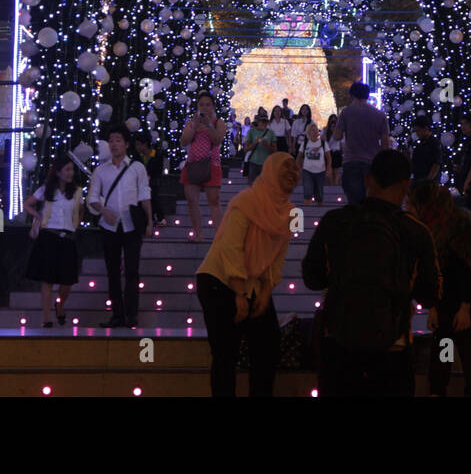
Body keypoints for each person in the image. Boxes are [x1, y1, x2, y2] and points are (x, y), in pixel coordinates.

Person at [302, 149, 440, 396]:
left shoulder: (335, 221)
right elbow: (430, 294)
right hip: (392, 345)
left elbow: (311, 278)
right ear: (406, 185)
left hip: (338, 341)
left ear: (368, 179)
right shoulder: (416, 230)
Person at [196, 153, 301, 396]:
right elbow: (230, 247)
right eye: (285, 167)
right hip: (219, 281)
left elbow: (278, 256)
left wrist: (266, 291)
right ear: (270, 170)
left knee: (268, 348)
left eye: (295, 169)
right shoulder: (247, 200)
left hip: (253, 284)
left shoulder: (290, 212)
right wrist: (239, 294)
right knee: (225, 355)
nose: (292, 172)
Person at [408, 180, 471, 397]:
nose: (408, 208)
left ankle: (469, 389)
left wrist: (465, 307)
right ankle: (441, 387)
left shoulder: (456, 222)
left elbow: (468, 267)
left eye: (413, 204)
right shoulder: (431, 225)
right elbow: (436, 271)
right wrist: (433, 307)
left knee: (460, 332)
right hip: (453, 284)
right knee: (444, 333)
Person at [87, 125, 152, 328]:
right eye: (111, 140)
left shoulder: (136, 167)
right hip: (109, 226)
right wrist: (103, 210)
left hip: (132, 225)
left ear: (125, 144)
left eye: (118, 140)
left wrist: (150, 221)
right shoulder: (101, 170)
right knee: (112, 272)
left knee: (132, 271)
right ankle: (117, 315)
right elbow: (92, 197)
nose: (114, 144)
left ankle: (132, 315)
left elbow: (144, 195)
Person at [25, 160, 85, 327]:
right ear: (58, 172)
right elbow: (28, 204)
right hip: (49, 235)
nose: (70, 173)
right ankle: (47, 317)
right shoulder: (46, 189)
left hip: (67, 238)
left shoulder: (77, 192)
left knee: (67, 281)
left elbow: (81, 210)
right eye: (67, 169)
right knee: (47, 280)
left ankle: (60, 304)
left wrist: (77, 223)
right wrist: (38, 216)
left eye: (71, 170)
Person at [332, 82, 390, 205]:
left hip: (351, 161)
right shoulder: (380, 114)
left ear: (351, 95)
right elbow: (385, 144)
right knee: (370, 202)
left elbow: (337, 136)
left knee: (354, 203)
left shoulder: (346, 112)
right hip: (372, 163)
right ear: (367, 96)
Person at [180, 92, 227, 240]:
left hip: (211, 164)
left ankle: (219, 235)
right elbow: (184, 141)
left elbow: (217, 140)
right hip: (193, 164)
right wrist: (194, 127)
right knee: (191, 200)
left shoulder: (218, 122)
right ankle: (198, 233)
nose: (205, 107)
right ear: (197, 106)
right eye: (201, 104)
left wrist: (208, 125)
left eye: (208, 104)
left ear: (213, 106)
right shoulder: (192, 122)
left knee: (213, 200)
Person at [134, 132, 167, 226]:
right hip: (140, 182)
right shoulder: (137, 157)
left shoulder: (156, 155)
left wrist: (149, 176)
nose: (137, 147)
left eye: (138, 144)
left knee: (152, 196)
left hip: (152, 181)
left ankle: (159, 217)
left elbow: (158, 170)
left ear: (145, 144)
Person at [298, 120, 331, 205]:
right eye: (312, 130)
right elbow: (299, 157)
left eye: (316, 129)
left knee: (319, 195)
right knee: (308, 192)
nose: (314, 131)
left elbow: (328, 157)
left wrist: (328, 168)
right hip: (307, 170)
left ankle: (319, 212)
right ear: (308, 132)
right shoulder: (305, 143)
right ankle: (307, 210)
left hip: (320, 171)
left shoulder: (323, 143)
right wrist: (298, 167)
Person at [242, 112, 277, 184]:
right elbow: (246, 149)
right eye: (262, 121)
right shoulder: (251, 132)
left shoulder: (271, 133)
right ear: (258, 122)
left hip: (266, 163)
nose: (264, 124)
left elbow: (275, 150)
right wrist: (255, 143)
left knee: (265, 186)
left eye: (266, 122)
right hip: (253, 162)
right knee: (253, 185)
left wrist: (267, 145)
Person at [409, 115, 441, 190]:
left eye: (418, 131)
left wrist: (427, 182)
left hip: (428, 184)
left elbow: (436, 164)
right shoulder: (420, 143)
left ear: (426, 128)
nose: (416, 133)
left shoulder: (434, 143)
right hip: (418, 181)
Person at [456, 113, 471, 211]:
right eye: (461, 124)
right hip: (467, 180)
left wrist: (467, 181)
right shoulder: (468, 141)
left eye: (466, 124)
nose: (463, 127)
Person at [324, 114, 342, 185]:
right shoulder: (325, 130)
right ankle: (331, 185)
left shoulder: (339, 131)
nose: (333, 121)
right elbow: (323, 139)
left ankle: (335, 185)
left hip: (336, 152)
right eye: (332, 119)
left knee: (336, 171)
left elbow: (341, 142)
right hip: (328, 152)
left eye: (335, 119)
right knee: (329, 171)